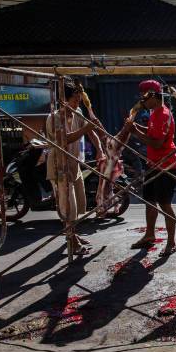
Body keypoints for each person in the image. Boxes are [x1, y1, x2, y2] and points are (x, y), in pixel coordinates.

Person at [46, 81, 103, 255]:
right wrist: (86, 127)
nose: (77, 104)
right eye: (74, 100)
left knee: (78, 205)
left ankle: (74, 235)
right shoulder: (54, 117)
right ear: (63, 100)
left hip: (74, 164)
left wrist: (100, 150)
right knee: (67, 206)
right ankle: (72, 241)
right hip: (59, 167)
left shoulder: (78, 112)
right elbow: (64, 140)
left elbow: (91, 132)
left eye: (79, 100)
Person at [127, 80, 176, 256]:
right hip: (152, 164)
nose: (142, 102)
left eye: (144, 98)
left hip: (165, 166)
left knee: (165, 205)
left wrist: (134, 132)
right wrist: (135, 127)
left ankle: (171, 242)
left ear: (154, 96)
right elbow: (150, 132)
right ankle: (149, 235)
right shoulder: (153, 112)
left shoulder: (162, 114)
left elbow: (157, 143)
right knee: (149, 202)